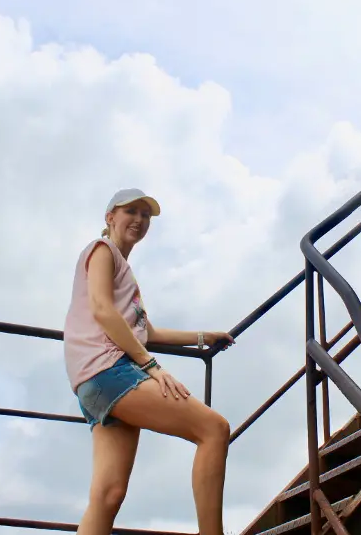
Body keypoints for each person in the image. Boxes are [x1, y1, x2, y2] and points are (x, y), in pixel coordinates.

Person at [63, 188, 235, 535]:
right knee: (213, 429)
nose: (139, 221)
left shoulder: (123, 268)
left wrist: (203, 337)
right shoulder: (101, 251)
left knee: (108, 495)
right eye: (132, 212)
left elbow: (147, 331)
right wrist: (151, 367)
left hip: (93, 382)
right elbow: (101, 308)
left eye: (146, 216)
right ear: (110, 217)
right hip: (111, 370)